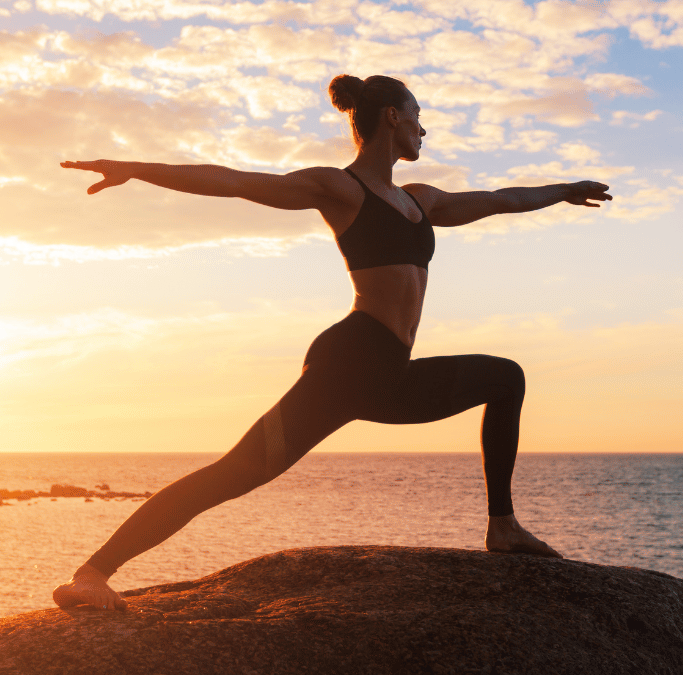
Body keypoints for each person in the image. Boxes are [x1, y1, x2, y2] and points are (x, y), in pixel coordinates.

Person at [53, 74, 612, 611]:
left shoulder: (422, 201)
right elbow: (232, 179)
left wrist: (565, 190)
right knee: (237, 472)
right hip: (347, 366)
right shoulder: (340, 189)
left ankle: (503, 527)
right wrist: (133, 169)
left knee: (504, 376)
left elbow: (499, 198)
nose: (424, 130)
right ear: (392, 118)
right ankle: (92, 574)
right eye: (418, 118)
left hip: (391, 375)